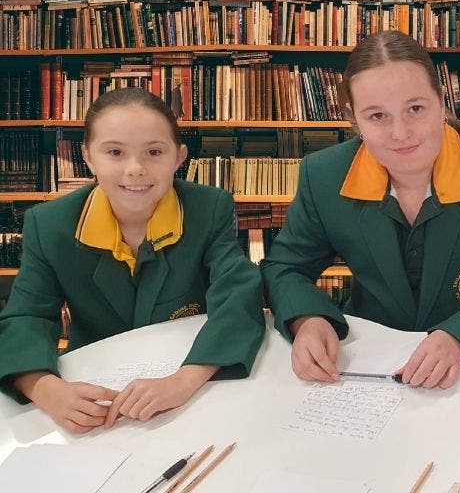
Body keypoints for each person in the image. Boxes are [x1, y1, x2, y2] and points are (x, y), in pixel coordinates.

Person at [261, 31, 460, 389]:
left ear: (442, 102)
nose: (400, 132)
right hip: (367, 362)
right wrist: (307, 318)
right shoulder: (322, 175)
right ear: (354, 119)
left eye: (416, 109)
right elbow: (285, 267)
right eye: (377, 116)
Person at [0, 88, 265, 433]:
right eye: (114, 152)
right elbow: (27, 316)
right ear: (88, 157)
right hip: (94, 388)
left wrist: (183, 381)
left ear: (179, 156)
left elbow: (238, 295)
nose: (135, 169)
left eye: (154, 152)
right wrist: (46, 390)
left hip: (187, 373)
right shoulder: (49, 224)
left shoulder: (209, 208)